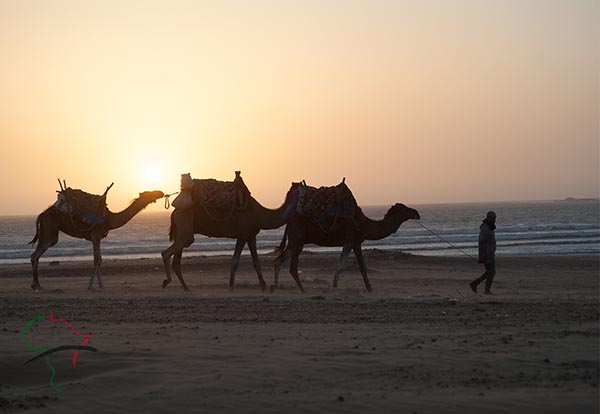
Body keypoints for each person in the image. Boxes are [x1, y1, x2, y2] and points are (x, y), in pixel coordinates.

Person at [470, 210, 497, 294]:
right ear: (488, 218)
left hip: (490, 253)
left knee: (490, 272)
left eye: (494, 218)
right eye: (492, 218)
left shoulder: (490, 227)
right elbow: (481, 242)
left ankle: (475, 284)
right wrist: (481, 256)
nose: (493, 220)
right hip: (486, 254)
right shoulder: (485, 229)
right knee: (491, 272)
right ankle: (485, 289)